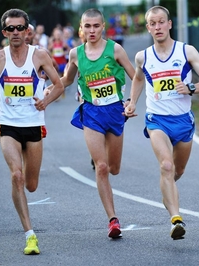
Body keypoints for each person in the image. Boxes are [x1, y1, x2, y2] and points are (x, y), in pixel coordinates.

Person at [0, 8, 64, 255]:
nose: (15, 32)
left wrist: (44, 102)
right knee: (17, 176)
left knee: (32, 185)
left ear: (28, 31)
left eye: (20, 28)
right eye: (10, 28)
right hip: (8, 124)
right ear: (4, 32)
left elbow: (58, 85)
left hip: (33, 125)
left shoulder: (40, 56)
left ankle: (22, 185)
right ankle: (30, 235)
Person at [124, 6, 199, 240]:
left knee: (177, 170)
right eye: (152, 23)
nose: (157, 27)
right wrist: (132, 101)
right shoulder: (143, 57)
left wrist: (191, 87)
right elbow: (137, 78)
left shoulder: (186, 52)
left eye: (161, 22)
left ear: (169, 24)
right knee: (166, 166)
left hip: (183, 121)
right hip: (157, 121)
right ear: (148, 28)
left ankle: (167, 189)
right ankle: (176, 219)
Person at [56, 8, 135, 238]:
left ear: (102, 27)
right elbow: (67, 80)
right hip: (91, 112)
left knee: (114, 168)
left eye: (96, 26)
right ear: (81, 28)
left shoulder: (115, 49)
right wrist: (51, 85)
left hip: (115, 111)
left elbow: (135, 76)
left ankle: (104, 159)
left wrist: (132, 101)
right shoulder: (75, 54)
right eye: (87, 26)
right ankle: (113, 220)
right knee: (101, 167)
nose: (91, 30)